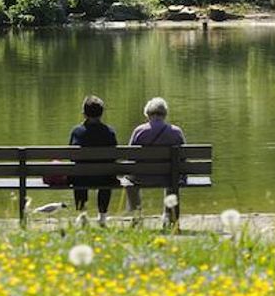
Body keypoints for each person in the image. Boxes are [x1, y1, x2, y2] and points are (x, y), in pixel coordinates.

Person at [124, 97, 187, 214]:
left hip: (142, 177)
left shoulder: (139, 131)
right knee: (173, 176)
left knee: (129, 182)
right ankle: (168, 215)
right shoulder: (176, 132)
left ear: (147, 114)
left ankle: (137, 215)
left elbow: (130, 157)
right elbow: (183, 159)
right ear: (165, 114)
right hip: (169, 177)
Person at [69, 95, 118, 225]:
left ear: (84, 113)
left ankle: (82, 215)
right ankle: (102, 216)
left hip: (81, 177)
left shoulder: (77, 132)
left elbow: (72, 157)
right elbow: (114, 157)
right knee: (108, 173)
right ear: (101, 114)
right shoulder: (110, 132)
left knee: (78, 172)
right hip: (104, 177)